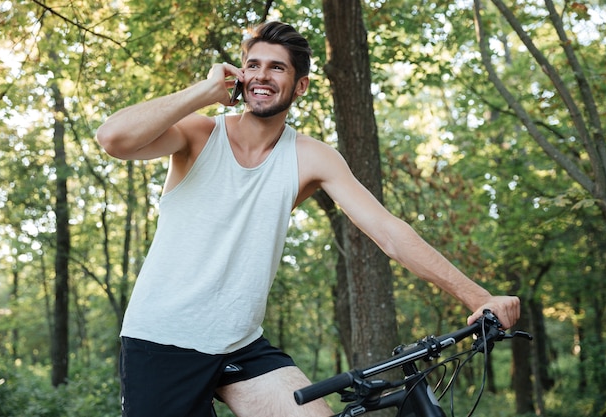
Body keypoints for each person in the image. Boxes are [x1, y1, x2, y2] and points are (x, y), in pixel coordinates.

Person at [96, 21, 520, 417]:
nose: (261, 75)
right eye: (252, 66)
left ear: (300, 86)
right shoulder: (197, 134)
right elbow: (113, 139)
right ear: (238, 76)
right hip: (163, 339)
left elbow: (389, 232)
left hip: (240, 344)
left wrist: (476, 296)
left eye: (276, 67)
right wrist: (204, 92)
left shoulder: (312, 157)